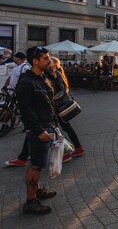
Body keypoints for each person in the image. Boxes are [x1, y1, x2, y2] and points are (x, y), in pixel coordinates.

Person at [16, 46, 58, 215]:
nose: (49, 61)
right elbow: (26, 111)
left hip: (47, 125)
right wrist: (39, 130)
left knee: (37, 163)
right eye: (46, 58)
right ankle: (31, 202)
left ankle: (38, 189)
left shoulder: (42, 78)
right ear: (35, 61)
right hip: (38, 130)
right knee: (35, 166)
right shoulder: (26, 82)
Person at [48, 57, 84, 158]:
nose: (48, 62)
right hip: (55, 107)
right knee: (63, 128)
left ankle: (70, 150)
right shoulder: (50, 74)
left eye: (50, 62)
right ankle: (77, 148)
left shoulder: (58, 74)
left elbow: (62, 91)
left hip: (59, 107)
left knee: (61, 128)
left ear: (55, 64)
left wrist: (51, 98)